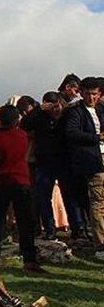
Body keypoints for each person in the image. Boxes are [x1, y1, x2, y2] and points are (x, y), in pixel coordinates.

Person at [0, 105, 45, 273]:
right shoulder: (22, 136)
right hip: (22, 180)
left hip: (1, 181)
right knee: (25, 221)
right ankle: (29, 259)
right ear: (17, 119)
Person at [63, 77, 104, 259]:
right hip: (91, 162)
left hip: (100, 157)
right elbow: (71, 133)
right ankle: (101, 243)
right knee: (98, 202)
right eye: (88, 93)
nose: (91, 97)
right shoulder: (75, 111)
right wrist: (97, 137)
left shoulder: (101, 109)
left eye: (94, 94)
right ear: (81, 92)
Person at [21, 92, 65, 240]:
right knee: (43, 198)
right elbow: (24, 125)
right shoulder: (39, 117)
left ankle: (79, 229)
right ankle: (49, 228)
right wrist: (39, 109)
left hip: (62, 160)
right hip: (44, 162)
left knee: (69, 196)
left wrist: (59, 111)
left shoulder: (63, 115)